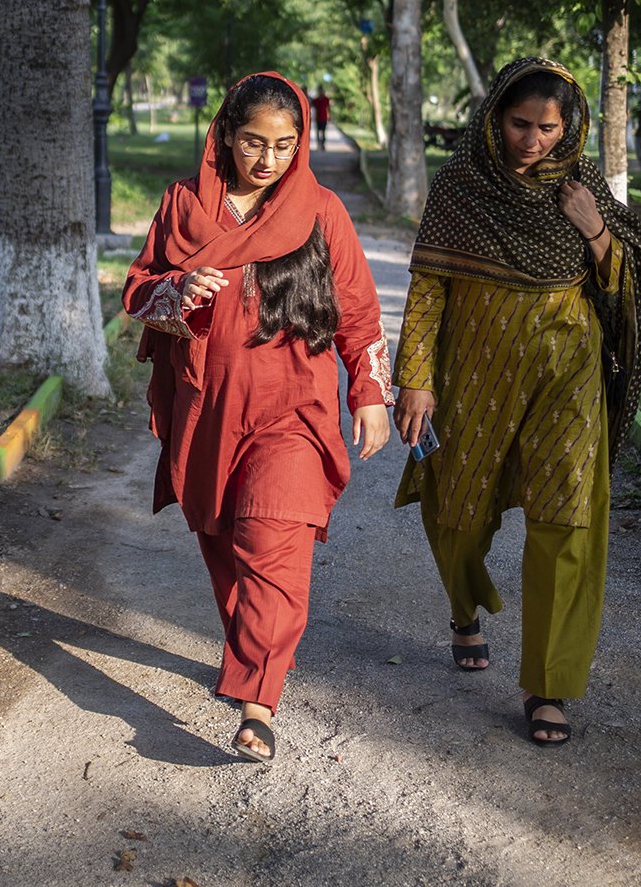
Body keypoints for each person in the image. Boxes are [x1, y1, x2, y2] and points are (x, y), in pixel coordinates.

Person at [124, 72, 394, 764]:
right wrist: (177, 290)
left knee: (274, 536)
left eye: (284, 143)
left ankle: (256, 702)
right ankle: (258, 651)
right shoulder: (183, 206)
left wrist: (368, 393)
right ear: (225, 136)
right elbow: (138, 292)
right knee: (226, 538)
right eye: (253, 142)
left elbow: (358, 312)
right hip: (207, 407)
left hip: (293, 409)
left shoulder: (320, 210)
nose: (268, 159)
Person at [392, 56, 641, 746]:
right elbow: (427, 290)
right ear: (494, 118)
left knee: (567, 520)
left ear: (568, 128)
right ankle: (463, 606)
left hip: (566, 374)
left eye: (547, 127)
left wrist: (595, 227)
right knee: (457, 511)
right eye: (518, 124)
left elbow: (628, 281)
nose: (531, 140)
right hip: (472, 372)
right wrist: (415, 377)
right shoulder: (460, 187)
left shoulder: (581, 186)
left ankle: (549, 684)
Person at [309, 86, 333, 150]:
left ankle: (323, 144)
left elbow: (329, 108)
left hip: (324, 117)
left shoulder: (326, 99)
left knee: (323, 132)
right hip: (317, 118)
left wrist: (329, 116)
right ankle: (318, 144)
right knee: (317, 132)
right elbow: (311, 107)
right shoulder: (316, 100)